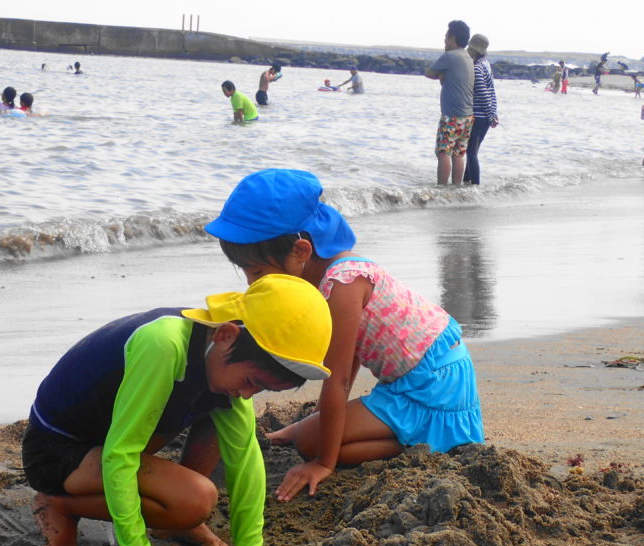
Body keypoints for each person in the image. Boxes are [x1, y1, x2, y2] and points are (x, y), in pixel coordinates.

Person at [24, 274, 333, 546]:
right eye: (252, 382)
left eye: (262, 389)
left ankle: (176, 521)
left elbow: (245, 456)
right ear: (226, 334)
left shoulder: (220, 355)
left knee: (221, 412)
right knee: (196, 499)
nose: (248, 395)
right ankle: (59, 505)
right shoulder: (164, 344)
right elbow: (121, 453)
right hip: (57, 449)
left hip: (109, 434)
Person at [209, 168, 483, 501]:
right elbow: (350, 353)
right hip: (422, 374)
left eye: (257, 272)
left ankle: (421, 441)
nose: (254, 285)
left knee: (311, 444)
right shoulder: (324, 273)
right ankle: (405, 434)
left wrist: (324, 463)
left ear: (300, 251)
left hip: (433, 384)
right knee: (313, 432)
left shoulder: (341, 285)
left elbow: (336, 380)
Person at [424, 20, 474, 185]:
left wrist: (441, 75)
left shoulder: (450, 56)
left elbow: (429, 73)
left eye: (446, 37)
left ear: (453, 38)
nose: (444, 40)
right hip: (467, 116)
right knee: (458, 154)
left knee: (443, 152)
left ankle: (442, 189)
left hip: (452, 116)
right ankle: (456, 187)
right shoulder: (467, 56)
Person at [463, 34, 498, 186]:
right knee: (473, 151)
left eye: (469, 49)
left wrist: (490, 116)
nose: (467, 51)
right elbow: (492, 92)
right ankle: (465, 182)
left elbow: (483, 93)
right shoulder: (486, 65)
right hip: (486, 115)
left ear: (473, 50)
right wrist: (493, 113)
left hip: (479, 116)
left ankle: (475, 186)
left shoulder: (477, 67)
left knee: (471, 152)